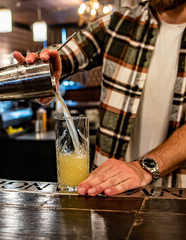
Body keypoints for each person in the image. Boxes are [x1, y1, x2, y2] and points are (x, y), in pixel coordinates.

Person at [13, 0, 186, 196]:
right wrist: (44, 68)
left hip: (177, 193)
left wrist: (144, 167)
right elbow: (67, 53)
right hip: (106, 191)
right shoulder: (119, 22)